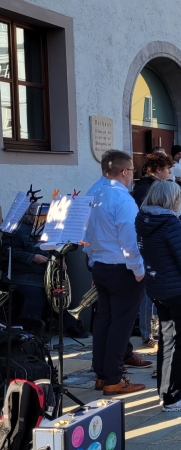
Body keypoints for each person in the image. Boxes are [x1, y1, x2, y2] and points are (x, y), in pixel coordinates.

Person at [84, 150, 149, 395]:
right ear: (124, 172)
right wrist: (139, 269)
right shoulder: (122, 199)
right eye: (133, 171)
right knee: (120, 325)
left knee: (105, 322)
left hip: (101, 265)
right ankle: (113, 378)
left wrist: (92, 261)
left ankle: (102, 374)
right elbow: (130, 240)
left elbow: (87, 234)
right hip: (122, 268)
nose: (133, 176)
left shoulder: (93, 192)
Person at [135, 181, 181, 412]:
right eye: (177, 197)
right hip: (179, 290)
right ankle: (173, 397)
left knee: (167, 342)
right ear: (170, 199)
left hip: (158, 288)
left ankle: (165, 390)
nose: (179, 201)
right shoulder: (170, 223)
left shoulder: (143, 219)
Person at [10, 203, 89, 338]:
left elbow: (55, 248)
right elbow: (9, 252)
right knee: (37, 294)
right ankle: (30, 331)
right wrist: (33, 257)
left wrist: (62, 259)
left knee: (60, 293)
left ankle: (70, 326)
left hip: (45, 271)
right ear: (29, 214)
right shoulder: (17, 230)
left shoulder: (47, 229)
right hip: (25, 273)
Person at [131, 152, 174, 348]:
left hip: (154, 244)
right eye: (167, 169)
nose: (170, 172)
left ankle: (155, 329)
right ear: (157, 170)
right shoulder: (144, 189)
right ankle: (148, 332)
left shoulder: (152, 186)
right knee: (149, 293)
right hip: (147, 246)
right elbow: (144, 219)